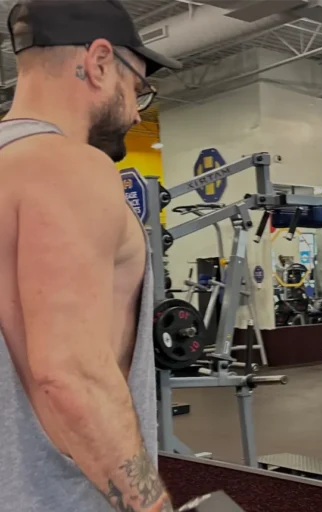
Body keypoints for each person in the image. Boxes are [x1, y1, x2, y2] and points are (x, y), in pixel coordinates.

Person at [0, 1, 181, 511]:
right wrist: (150, 507)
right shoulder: (68, 166)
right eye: (138, 88)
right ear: (99, 62)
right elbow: (70, 373)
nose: (133, 109)